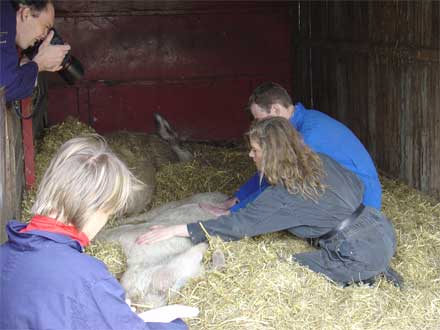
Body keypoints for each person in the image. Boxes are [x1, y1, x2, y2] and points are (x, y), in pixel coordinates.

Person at [137, 117, 402, 287]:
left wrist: (177, 229)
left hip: (355, 254)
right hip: (382, 231)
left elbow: (238, 226)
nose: (251, 155)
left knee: (283, 267)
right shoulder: (321, 161)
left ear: (273, 154)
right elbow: (357, 185)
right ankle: (373, 270)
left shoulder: (286, 195)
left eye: (255, 150)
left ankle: (362, 276)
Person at [0, 135, 189, 330]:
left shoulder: (4, 254)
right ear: (95, 207)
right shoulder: (88, 279)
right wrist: (173, 323)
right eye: (109, 212)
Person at [201, 82, 382, 216]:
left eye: (260, 119)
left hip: (361, 203)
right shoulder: (303, 121)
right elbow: (272, 167)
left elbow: (280, 180)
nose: (258, 125)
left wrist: (235, 212)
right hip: (345, 191)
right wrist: (238, 197)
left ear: (276, 109)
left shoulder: (309, 135)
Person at [0, 0, 70, 102]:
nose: (44, 36)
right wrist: (38, 64)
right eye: (46, 27)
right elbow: (5, 89)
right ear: (26, 14)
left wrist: (28, 64)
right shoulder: (4, 22)